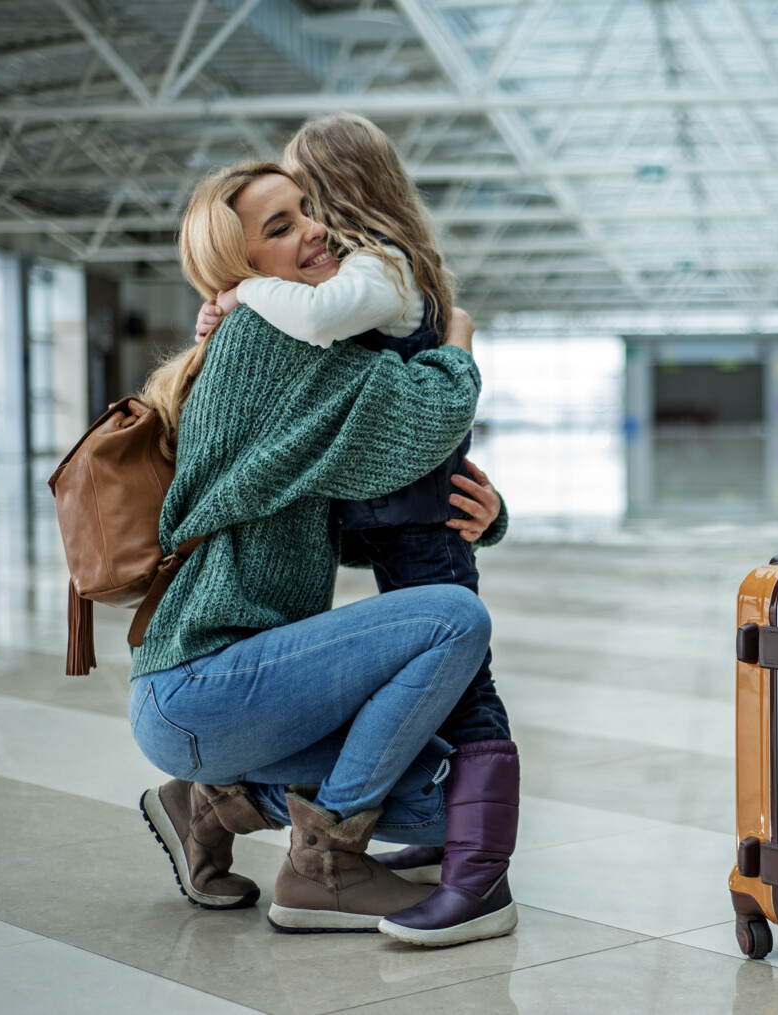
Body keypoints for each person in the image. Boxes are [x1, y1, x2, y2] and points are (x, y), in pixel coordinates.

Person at [131, 160, 505, 939]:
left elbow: (371, 510)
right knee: (453, 620)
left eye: (308, 209)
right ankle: (321, 863)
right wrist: (461, 341)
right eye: (282, 227)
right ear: (242, 270)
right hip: (203, 678)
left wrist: (487, 513)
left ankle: (210, 803)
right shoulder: (274, 340)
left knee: (440, 798)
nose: (315, 228)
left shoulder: (275, 336)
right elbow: (429, 414)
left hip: (234, 693)